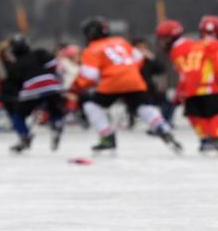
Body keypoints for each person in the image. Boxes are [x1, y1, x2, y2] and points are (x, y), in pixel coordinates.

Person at [73, 16, 182, 154]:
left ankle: (107, 137)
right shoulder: (121, 41)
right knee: (143, 107)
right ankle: (162, 128)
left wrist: (76, 85)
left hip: (111, 82)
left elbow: (90, 75)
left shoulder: (92, 49)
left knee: (91, 105)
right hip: (134, 80)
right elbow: (139, 58)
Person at [158, 16, 218, 154]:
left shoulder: (182, 48)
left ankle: (205, 140)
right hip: (209, 87)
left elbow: (185, 72)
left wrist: (181, 90)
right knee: (215, 114)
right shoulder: (214, 44)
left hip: (191, 89)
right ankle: (217, 138)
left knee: (196, 116)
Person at [1, 33, 65, 152]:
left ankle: (24, 136)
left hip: (31, 90)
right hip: (51, 86)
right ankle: (57, 124)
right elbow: (54, 66)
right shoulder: (40, 53)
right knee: (54, 109)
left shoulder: (14, 66)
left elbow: (15, 86)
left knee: (18, 116)